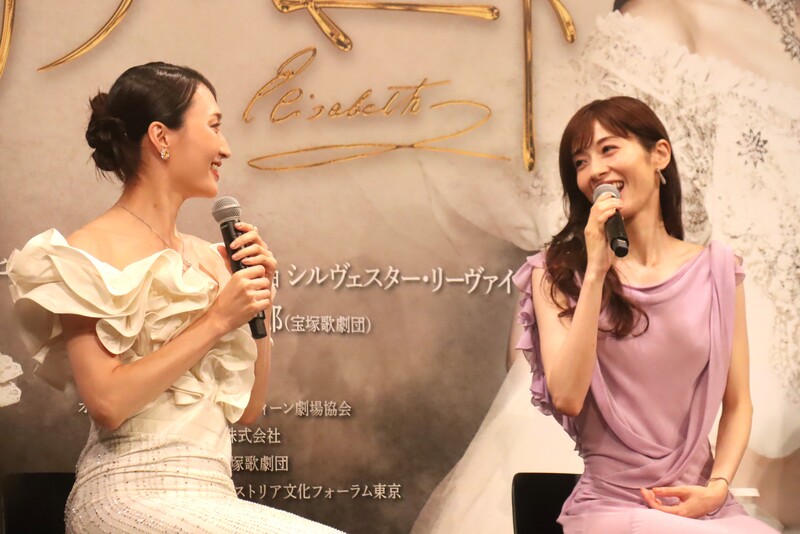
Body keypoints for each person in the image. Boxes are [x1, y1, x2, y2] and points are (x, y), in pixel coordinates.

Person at [7, 62, 343, 533]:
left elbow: (248, 410)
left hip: (213, 495)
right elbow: (107, 402)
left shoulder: (212, 259)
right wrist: (215, 321)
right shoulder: (87, 251)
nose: (225, 148)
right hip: (126, 495)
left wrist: (258, 301)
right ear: (161, 137)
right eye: (214, 126)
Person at [514, 95, 776, 533]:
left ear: (660, 155)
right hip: (611, 507)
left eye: (608, 149)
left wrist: (717, 487)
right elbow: (567, 397)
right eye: (580, 162)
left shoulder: (719, 270)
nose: (595, 170)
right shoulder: (556, 273)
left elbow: (737, 402)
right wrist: (595, 272)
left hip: (704, 507)